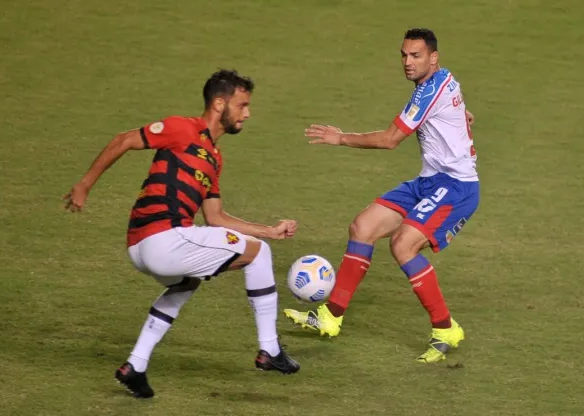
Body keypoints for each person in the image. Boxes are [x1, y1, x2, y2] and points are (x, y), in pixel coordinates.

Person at [63, 69, 300, 399]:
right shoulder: (181, 128)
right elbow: (123, 140)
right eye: (242, 104)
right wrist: (84, 185)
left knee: (188, 281)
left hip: (143, 246)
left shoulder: (214, 158)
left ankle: (136, 365)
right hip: (162, 240)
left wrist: (268, 230)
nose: (247, 112)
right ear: (219, 104)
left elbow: (215, 216)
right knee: (257, 254)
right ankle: (269, 350)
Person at [284, 28, 480, 364]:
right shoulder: (443, 78)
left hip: (456, 186)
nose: (407, 62)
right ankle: (331, 317)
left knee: (402, 245)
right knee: (363, 227)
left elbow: (390, 140)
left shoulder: (429, 90)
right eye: (403, 55)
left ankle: (445, 328)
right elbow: (462, 112)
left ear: (433, 58)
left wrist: (341, 138)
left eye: (415, 55)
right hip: (429, 181)